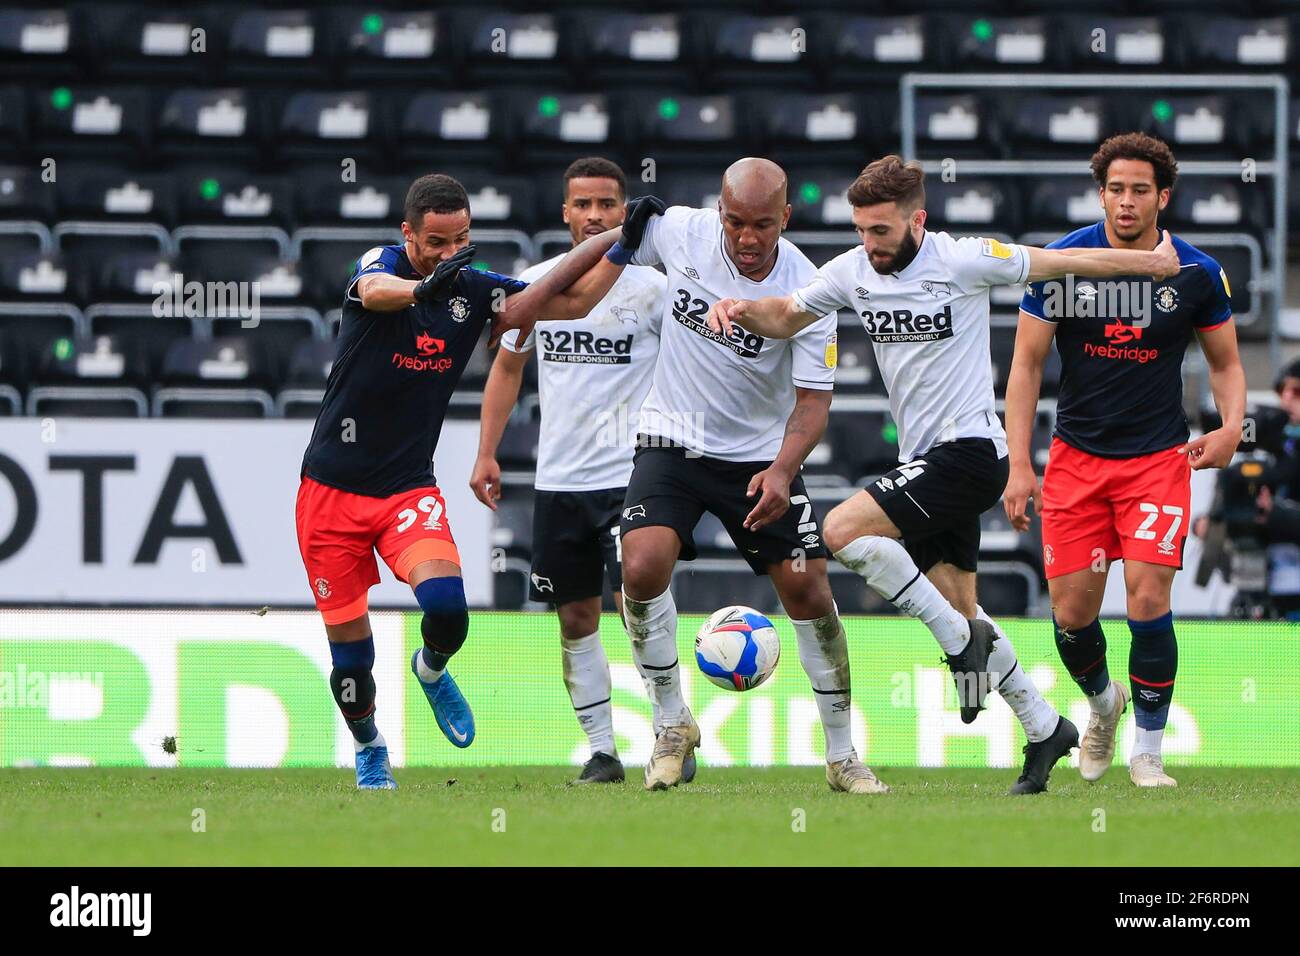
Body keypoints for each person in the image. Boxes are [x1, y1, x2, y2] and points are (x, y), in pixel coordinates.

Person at [706, 154, 1183, 793]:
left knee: (839, 532)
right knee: (964, 608)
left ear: (917, 220)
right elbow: (787, 315)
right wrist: (737, 308)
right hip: (923, 462)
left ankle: (960, 646)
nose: (868, 244)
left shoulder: (961, 259)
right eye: (860, 229)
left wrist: (1147, 263)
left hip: (971, 455)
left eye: (881, 231)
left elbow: (1058, 261)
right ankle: (1045, 729)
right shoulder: (851, 272)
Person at [295, 172, 659, 789]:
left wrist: (621, 241)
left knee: (448, 611)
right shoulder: (379, 265)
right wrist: (421, 289)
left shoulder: (474, 287)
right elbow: (378, 290)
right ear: (408, 233)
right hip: (329, 494)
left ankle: (431, 670)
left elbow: (570, 301)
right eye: (436, 241)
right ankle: (370, 745)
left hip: (407, 488)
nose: (449, 252)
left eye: (460, 239)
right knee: (352, 659)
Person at [589, 157, 888, 794]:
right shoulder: (681, 233)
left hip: (759, 459)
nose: (746, 238)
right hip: (671, 436)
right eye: (734, 222)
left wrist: (783, 471)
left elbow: (813, 402)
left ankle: (841, 755)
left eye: (761, 224)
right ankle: (672, 723)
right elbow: (606, 246)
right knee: (640, 567)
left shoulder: (811, 288)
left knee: (809, 593)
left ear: (786, 217)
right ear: (716, 211)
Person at [1004, 132, 1245, 787]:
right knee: (1072, 614)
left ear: (1163, 196)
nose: (1128, 201)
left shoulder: (1196, 272)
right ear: (1101, 192)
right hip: (1076, 460)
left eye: (1141, 189)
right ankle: (1102, 703)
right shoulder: (1062, 262)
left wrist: (1232, 427)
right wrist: (1020, 465)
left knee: (1146, 597)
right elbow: (1025, 366)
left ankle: (1149, 751)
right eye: (1116, 188)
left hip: (1157, 460)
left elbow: (1225, 363)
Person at [470, 157, 670, 784]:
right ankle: (603, 751)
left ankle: (671, 730)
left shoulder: (656, 289)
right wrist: (486, 451)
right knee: (576, 618)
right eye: (582, 204)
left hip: (634, 473)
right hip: (561, 479)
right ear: (565, 212)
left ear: (623, 210)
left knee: (638, 602)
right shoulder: (536, 285)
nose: (594, 216)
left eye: (607, 205)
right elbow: (506, 367)